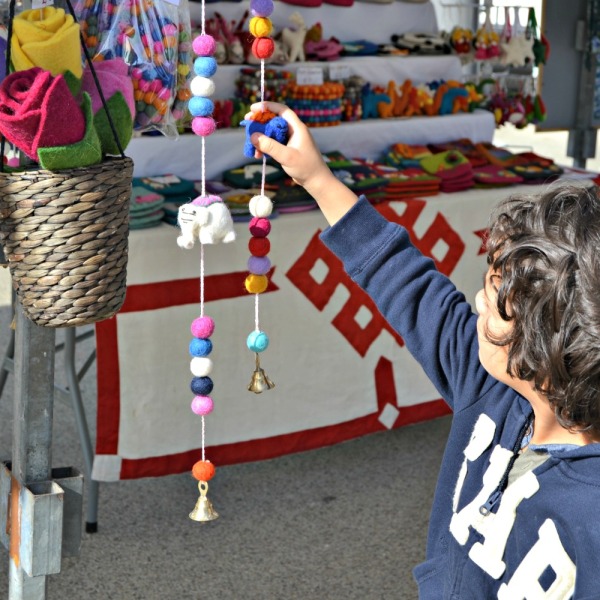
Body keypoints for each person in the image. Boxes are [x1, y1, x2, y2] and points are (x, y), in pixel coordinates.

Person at [246, 101, 600, 599]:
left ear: (547, 348)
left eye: (496, 296)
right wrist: (316, 177)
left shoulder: (592, 518)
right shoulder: (489, 384)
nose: (476, 300)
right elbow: (403, 279)